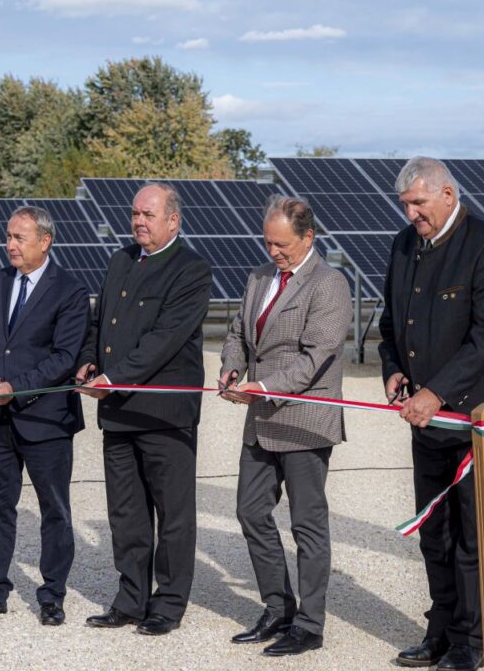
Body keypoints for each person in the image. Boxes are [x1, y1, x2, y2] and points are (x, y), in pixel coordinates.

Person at [379, 157, 484, 671]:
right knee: (435, 531)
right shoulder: (404, 245)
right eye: (405, 205)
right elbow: (389, 322)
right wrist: (395, 369)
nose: (412, 213)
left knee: (477, 535)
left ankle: (475, 643)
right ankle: (441, 630)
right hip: (429, 418)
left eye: (419, 203)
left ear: (447, 194)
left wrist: (437, 391)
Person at [76, 182, 212, 636]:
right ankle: (130, 598)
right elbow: (100, 322)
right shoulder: (120, 260)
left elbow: (165, 338)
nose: (138, 221)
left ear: (172, 219)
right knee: (127, 512)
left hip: (162, 413)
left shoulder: (191, 270)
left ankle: (168, 604)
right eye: (135, 213)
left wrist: (113, 380)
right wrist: (90, 362)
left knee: (173, 513)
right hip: (118, 411)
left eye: (148, 214)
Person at [219, 196, 352, 657]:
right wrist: (232, 370)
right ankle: (278, 608)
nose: (273, 252)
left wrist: (263, 385)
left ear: (308, 238)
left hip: (305, 421)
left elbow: (318, 356)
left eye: (282, 245)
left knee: (307, 524)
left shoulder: (330, 284)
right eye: (268, 242)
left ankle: (310, 626)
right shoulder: (258, 277)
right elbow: (238, 332)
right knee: (251, 511)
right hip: (260, 419)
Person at [0, 206, 90, 626]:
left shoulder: (69, 290)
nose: (10, 244)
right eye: (8, 236)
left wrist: (16, 389)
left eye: (19, 237)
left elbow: (66, 357)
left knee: (54, 508)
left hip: (45, 419)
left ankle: (52, 596)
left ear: (44, 241)